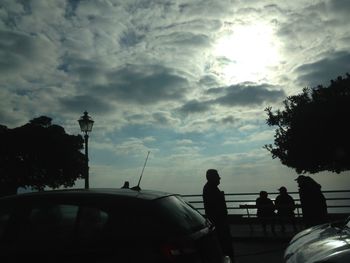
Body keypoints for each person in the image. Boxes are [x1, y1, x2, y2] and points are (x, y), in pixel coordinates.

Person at [203, 169, 234, 262]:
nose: (219, 178)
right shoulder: (210, 189)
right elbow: (216, 208)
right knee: (224, 246)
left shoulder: (210, 188)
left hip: (220, 223)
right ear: (211, 178)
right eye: (217, 176)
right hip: (219, 223)